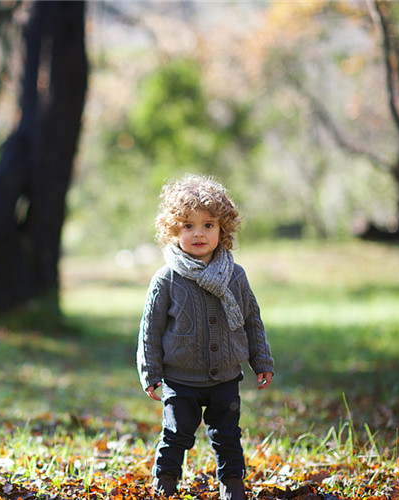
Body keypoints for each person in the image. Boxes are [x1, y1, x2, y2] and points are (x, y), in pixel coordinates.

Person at [136, 174, 275, 500]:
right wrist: (150, 373)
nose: (198, 233)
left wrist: (262, 360)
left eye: (208, 225)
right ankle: (166, 482)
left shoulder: (234, 274)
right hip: (180, 379)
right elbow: (150, 330)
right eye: (187, 226)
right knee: (176, 433)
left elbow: (251, 319)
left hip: (225, 377)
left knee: (227, 435)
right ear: (173, 231)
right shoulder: (166, 279)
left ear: (222, 229)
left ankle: (232, 485)